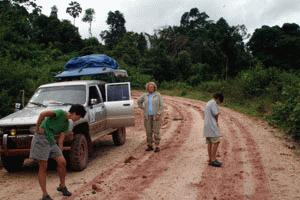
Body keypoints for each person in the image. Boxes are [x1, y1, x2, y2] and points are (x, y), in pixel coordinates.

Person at [30, 104, 86, 200]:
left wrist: (60, 150)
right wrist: (37, 127)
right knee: (43, 166)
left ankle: (62, 186)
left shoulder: (66, 124)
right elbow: (43, 114)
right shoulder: (59, 113)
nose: (79, 119)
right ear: (75, 113)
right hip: (41, 139)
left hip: (51, 141)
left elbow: (61, 139)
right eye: (79, 117)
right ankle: (45, 195)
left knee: (62, 162)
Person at [137, 82, 164, 152]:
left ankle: (157, 146)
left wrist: (158, 114)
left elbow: (161, 106)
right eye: (149, 87)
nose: (150, 88)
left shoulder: (158, 95)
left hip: (156, 116)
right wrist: (143, 108)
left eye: (152, 87)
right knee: (148, 131)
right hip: (147, 116)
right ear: (147, 88)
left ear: (154, 88)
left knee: (156, 131)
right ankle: (150, 145)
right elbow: (138, 101)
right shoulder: (145, 95)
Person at [203, 93, 224, 167]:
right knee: (217, 141)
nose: (219, 103)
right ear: (218, 98)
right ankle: (213, 160)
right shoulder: (213, 103)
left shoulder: (208, 102)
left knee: (210, 142)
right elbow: (216, 114)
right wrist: (217, 122)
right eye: (219, 101)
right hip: (212, 125)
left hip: (206, 125)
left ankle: (210, 159)